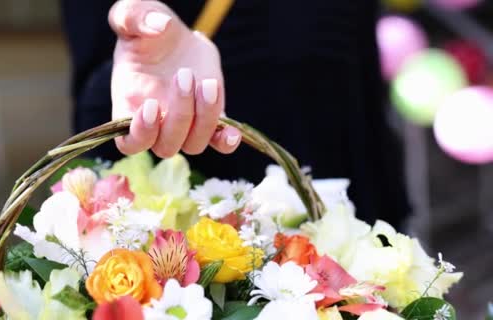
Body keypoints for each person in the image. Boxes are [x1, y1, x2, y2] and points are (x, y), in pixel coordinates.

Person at [60, 0, 410, 227]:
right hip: (203, 248)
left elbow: (360, 85)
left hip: (347, 221)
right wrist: (150, 78)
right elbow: (96, 117)